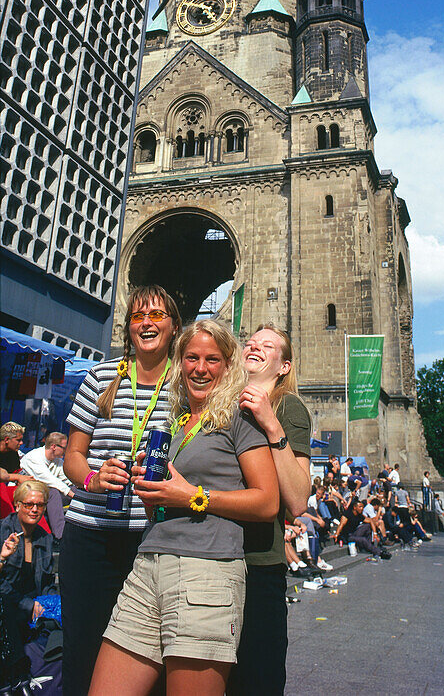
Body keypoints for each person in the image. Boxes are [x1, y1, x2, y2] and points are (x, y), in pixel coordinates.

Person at [89, 319, 279, 696]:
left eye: (212, 359)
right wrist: (153, 496)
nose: (200, 368)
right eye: (191, 357)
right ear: (180, 362)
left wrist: (191, 495)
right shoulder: (174, 422)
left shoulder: (239, 419)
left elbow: (267, 501)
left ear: (228, 365)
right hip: (148, 566)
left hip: (205, 573)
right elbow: (170, 497)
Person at [59, 284, 182, 696]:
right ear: (128, 327)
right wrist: (93, 478)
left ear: (173, 325)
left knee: (147, 659)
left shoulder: (185, 388)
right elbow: (73, 455)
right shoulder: (101, 377)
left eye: (156, 315)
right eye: (137, 316)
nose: (146, 323)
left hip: (150, 542)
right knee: (83, 651)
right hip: (90, 536)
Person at [228, 324, 312, 696]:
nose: (254, 347)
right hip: (209, 555)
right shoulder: (219, 400)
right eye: (250, 342)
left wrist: (269, 421)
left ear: (284, 366)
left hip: (258, 561)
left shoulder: (287, 406)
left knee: (256, 677)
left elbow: (297, 500)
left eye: (267, 345)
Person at [0, 480, 54, 691]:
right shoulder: (3, 531)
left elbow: (48, 581)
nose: (34, 509)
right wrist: (28, 605)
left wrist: (46, 603)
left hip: (34, 604)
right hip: (10, 602)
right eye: (29, 504)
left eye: (40, 505)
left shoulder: (45, 538)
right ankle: (18, 677)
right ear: (17, 505)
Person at [21, 432, 73, 540]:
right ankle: (60, 536)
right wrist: (69, 492)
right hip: (28, 494)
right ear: (54, 446)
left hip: (45, 495)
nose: (65, 450)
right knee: (53, 492)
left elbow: (67, 480)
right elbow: (50, 480)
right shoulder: (34, 458)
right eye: (64, 447)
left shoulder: (57, 461)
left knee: (75, 489)